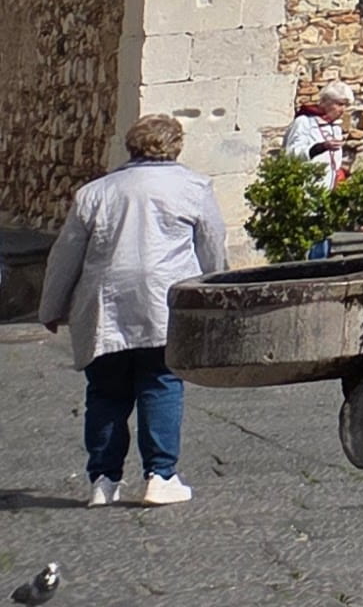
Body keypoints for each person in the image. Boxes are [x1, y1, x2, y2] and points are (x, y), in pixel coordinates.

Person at [39, 115, 227, 507]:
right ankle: (160, 474)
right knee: (161, 382)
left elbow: (66, 255)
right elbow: (211, 245)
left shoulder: (96, 192)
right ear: (176, 145)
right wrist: (218, 294)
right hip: (164, 299)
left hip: (105, 303)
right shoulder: (193, 187)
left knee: (106, 391)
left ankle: (104, 480)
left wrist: (52, 305)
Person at [281, 84, 353, 187]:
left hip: (329, 190)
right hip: (306, 188)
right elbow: (290, 155)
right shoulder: (304, 122)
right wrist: (319, 148)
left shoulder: (336, 128)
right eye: (339, 104)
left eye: (345, 105)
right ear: (325, 102)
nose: (343, 110)